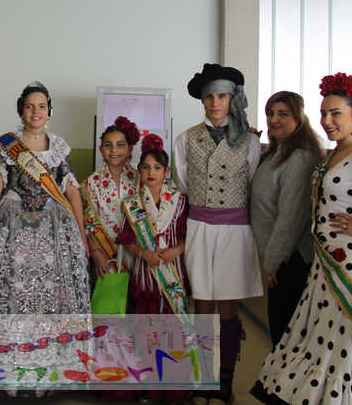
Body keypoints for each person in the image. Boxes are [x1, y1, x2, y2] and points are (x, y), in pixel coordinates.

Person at [252, 73, 352, 405]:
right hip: (326, 257)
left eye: (335, 113)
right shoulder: (334, 153)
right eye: (324, 113)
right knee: (321, 332)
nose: (327, 121)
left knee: (343, 336)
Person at [174, 63, 261, 405]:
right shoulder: (185, 139)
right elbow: (183, 184)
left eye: (222, 96)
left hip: (235, 231)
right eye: (209, 97)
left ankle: (225, 382)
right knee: (202, 304)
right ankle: (202, 378)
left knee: (228, 307)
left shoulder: (250, 141)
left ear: (231, 99)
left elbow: (251, 184)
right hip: (199, 227)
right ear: (202, 100)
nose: (215, 103)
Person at [0, 81, 90, 314]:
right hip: (14, 222)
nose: (35, 112)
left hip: (52, 225)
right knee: (14, 277)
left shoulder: (59, 146)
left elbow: (71, 189)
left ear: (49, 111)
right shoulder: (7, 144)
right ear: (21, 110)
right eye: (29, 106)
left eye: (41, 106)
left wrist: (81, 234)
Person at [116, 134, 189, 403]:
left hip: (172, 274)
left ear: (166, 171)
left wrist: (176, 251)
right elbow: (126, 240)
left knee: (172, 332)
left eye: (157, 167)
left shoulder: (180, 201)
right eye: (146, 167)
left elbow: (187, 235)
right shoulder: (132, 203)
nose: (151, 172)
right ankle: (146, 387)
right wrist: (144, 254)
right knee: (145, 331)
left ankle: (171, 389)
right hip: (145, 276)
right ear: (139, 170)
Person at [250, 91, 324, 347]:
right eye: (270, 113)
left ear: (299, 118)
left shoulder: (300, 157)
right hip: (279, 260)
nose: (274, 119)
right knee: (279, 334)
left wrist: (271, 263)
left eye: (283, 114)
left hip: (290, 261)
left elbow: (290, 218)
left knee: (286, 339)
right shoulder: (275, 153)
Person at [83, 116, 140, 278]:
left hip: (136, 253)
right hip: (104, 255)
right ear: (101, 149)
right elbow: (88, 223)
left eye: (120, 145)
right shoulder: (91, 182)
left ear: (130, 149)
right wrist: (96, 253)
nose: (114, 150)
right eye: (108, 145)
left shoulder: (139, 179)